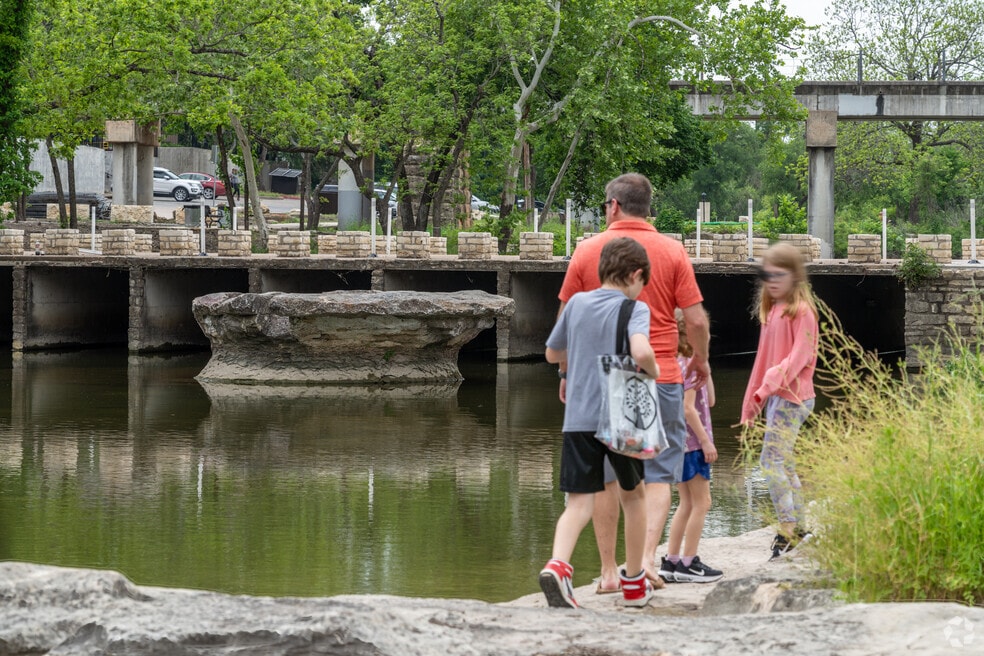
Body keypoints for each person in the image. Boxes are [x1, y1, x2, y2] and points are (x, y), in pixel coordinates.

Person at [558, 172, 710, 593]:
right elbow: (695, 319)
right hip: (659, 373)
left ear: (613, 206)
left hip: (606, 380)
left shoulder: (588, 250)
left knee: (608, 475)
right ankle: (641, 563)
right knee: (658, 473)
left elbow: (565, 319)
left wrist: (567, 372)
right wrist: (702, 362)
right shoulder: (673, 250)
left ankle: (608, 572)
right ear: (647, 207)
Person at [540, 237, 661, 609]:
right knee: (634, 495)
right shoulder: (634, 308)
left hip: (578, 416)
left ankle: (558, 566)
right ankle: (635, 584)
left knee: (578, 501)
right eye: (643, 281)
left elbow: (551, 353)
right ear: (637, 275)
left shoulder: (575, 303)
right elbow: (640, 350)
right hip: (621, 416)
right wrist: (652, 373)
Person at [740, 241, 819, 560]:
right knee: (783, 463)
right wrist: (751, 402)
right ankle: (798, 526)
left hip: (794, 398)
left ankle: (788, 528)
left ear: (795, 277)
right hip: (777, 399)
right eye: (766, 275)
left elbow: (800, 357)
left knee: (770, 462)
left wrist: (767, 387)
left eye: (779, 274)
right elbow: (762, 360)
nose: (771, 280)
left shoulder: (803, 313)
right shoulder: (772, 312)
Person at [656, 309, 723, 583]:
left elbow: (710, 401)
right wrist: (706, 441)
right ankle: (689, 562)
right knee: (702, 503)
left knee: (685, 503)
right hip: (694, 444)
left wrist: (706, 365)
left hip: (679, 445)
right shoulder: (688, 364)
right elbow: (689, 408)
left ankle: (671, 561)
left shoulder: (680, 362)